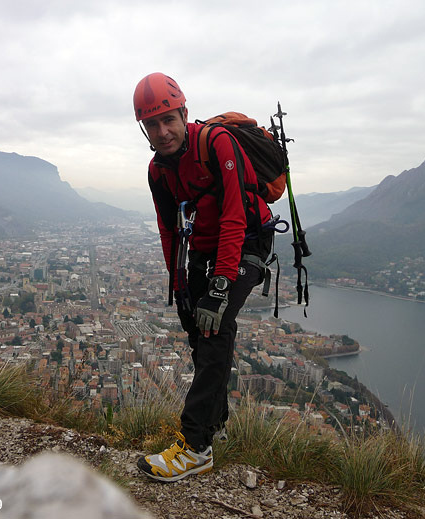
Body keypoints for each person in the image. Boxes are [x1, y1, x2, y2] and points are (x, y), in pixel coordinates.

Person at [133, 72, 274, 482]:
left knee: (216, 328)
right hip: (203, 246)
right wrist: (179, 285)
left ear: (184, 114)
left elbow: (233, 214)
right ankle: (217, 423)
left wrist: (222, 284)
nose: (162, 132)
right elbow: (169, 229)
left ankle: (195, 446)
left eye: (168, 120)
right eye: (152, 125)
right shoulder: (158, 171)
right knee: (198, 328)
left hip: (248, 238)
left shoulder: (217, 143)